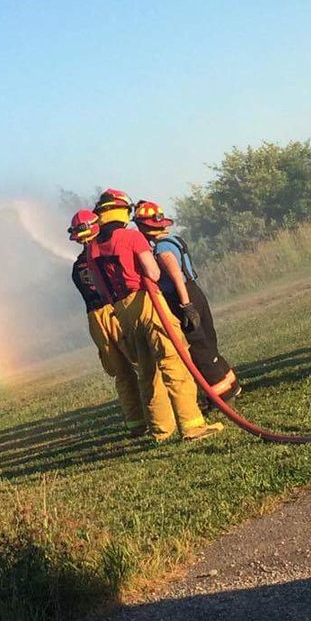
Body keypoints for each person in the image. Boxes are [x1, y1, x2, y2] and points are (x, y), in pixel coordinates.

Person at [85, 189, 223, 443]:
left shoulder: (91, 249)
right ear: (122, 211)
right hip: (147, 302)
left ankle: (161, 430)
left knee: (147, 372)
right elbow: (153, 272)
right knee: (173, 361)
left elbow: (101, 288)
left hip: (122, 312)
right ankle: (192, 426)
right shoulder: (132, 237)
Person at [132, 199, 241, 405]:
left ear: (145, 226)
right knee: (209, 343)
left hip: (182, 295)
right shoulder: (175, 240)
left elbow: (174, 275)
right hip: (194, 291)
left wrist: (186, 306)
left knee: (199, 348)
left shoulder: (162, 249)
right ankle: (232, 386)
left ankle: (222, 398)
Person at [68, 208, 148, 437]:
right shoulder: (100, 255)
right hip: (114, 311)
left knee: (121, 373)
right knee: (143, 363)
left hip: (94, 319)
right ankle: (157, 415)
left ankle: (135, 423)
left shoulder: (77, 266)